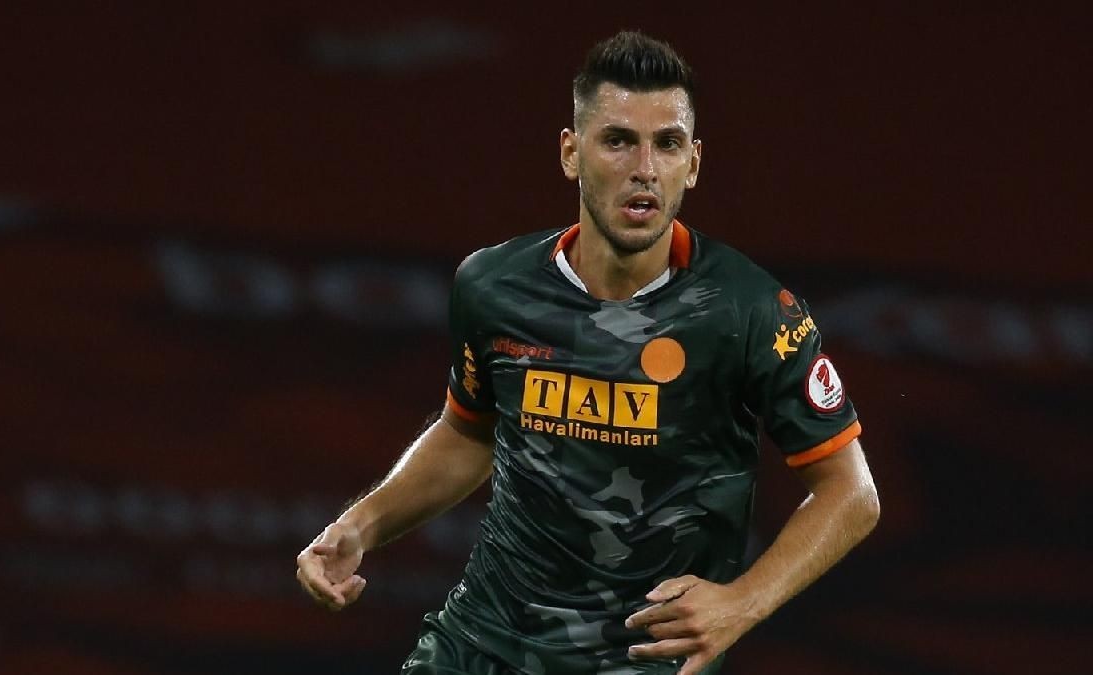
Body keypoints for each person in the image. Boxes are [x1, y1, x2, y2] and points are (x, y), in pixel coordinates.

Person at [297, 31, 880, 675]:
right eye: (618, 140)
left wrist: (742, 603)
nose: (644, 168)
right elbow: (468, 435)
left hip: (643, 657)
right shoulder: (494, 286)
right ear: (571, 153)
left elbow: (851, 493)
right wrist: (360, 527)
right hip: (483, 639)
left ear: (693, 164)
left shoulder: (752, 312)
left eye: (667, 144)